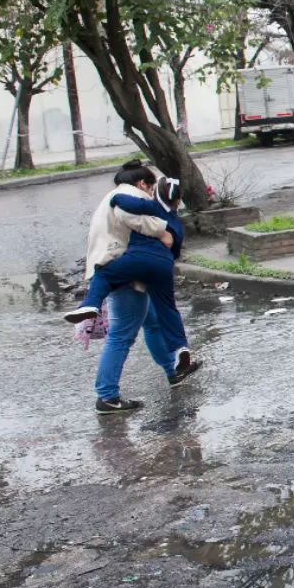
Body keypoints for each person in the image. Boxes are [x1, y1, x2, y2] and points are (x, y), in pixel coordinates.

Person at [74, 162, 199, 415]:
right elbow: (130, 216)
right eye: (151, 187)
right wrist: (166, 232)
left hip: (122, 266)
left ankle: (173, 370)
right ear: (143, 184)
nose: (152, 193)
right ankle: (107, 396)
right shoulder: (132, 194)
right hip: (125, 269)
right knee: (121, 335)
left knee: (152, 321)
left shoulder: (110, 196)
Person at [64, 174, 192, 371]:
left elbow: (122, 203)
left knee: (104, 275)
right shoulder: (174, 219)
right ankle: (181, 348)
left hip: (137, 259)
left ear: (155, 192)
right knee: (167, 310)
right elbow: (174, 248)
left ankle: (90, 304)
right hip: (163, 266)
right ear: (177, 200)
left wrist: (115, 198)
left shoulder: (151, 207)